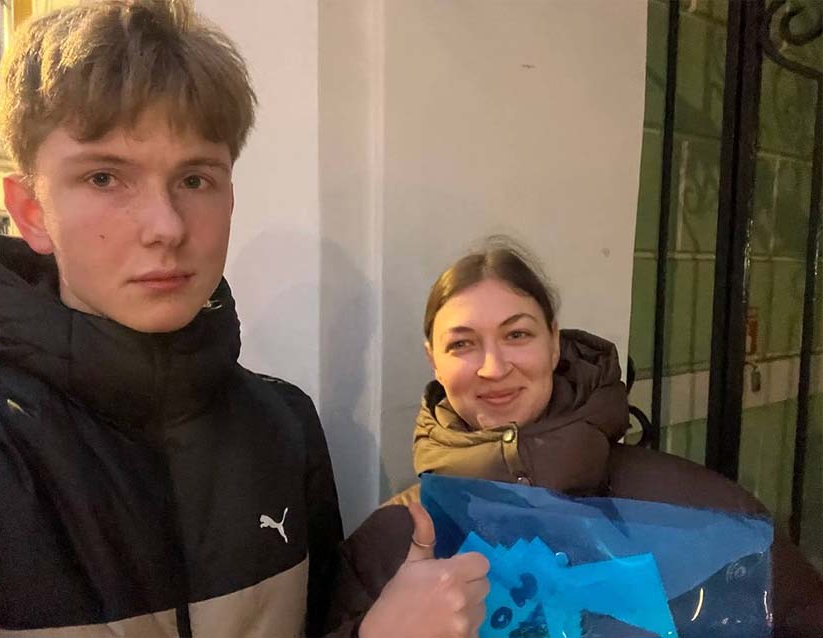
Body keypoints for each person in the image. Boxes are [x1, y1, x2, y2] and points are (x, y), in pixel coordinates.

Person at [0, 2, 488, 636]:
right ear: (30, 211)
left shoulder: (285, 425)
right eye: (105, 177)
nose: (166, 227)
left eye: (194, 179)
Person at [336, 238, 822, 637]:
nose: (493, 367)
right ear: (434, 362)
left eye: (517, 335)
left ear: (554, 343)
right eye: (462, 343)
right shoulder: (392, 540)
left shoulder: (697, 509)